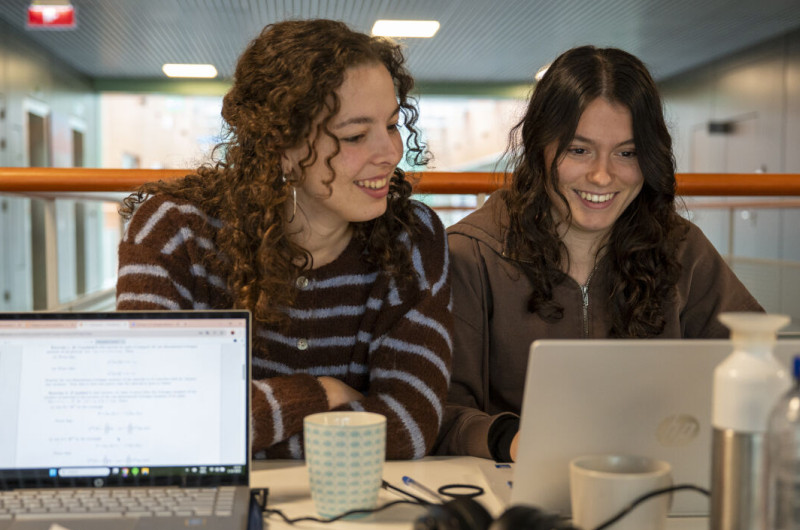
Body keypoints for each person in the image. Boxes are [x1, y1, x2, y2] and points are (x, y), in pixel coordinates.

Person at [116, 19, 452, 460]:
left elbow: (409, 426)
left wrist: (227, 429)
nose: (391, 153)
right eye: (355, 135)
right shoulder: (175, 230)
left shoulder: (413, 237)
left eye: (391, 125)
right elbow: (148, 415)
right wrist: (319, 393)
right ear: (280, 146)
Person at [433, 45, 763, 462]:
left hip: (658, 479)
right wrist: (513, 440)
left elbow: (757, 364)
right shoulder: (470, 255)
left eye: (627, 153)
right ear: (539, 147)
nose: (603, 176)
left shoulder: (681, 247)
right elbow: (437, 410)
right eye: (579, 150)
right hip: (513, 486)